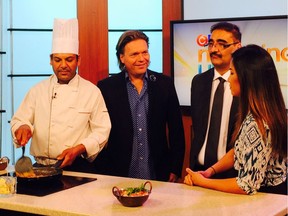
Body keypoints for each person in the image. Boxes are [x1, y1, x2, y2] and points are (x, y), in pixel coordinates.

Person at [10, 18, 111, 173]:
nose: (63, 65)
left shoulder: (91, 92)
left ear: (78, 60)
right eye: (58, 60)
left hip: (79, 169)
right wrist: (22, 127)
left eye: (69, 59)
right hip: (40, 168)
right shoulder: (38, 90)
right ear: (51, 61)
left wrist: (80, 148)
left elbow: (102, 130)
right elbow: (19, 119)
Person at [184, 44, 287, 195]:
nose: (228, 79)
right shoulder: (262, 113)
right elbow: (240, 151)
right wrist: (210, 171)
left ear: (246, 79)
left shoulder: (257, 123)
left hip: (268, 202)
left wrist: (203, 182)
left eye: (232, 73)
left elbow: (246, 185)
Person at [94, 30, 185, 182]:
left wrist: (175, 168)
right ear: (122, 58)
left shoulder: (164, 84)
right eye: (134, 54)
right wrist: (103, 171)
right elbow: (100, 132)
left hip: (157, 172)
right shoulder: (106, 88)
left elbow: (177, 131)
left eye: (145, 52)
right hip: (117, 173)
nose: (142, 59)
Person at [190, 22, 241, 178]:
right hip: (199, 171)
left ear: (237, 46)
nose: (214, 49)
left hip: (233, 174)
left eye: (222, 44)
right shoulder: (198, 82)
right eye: (211, 44)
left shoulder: (246, 85)